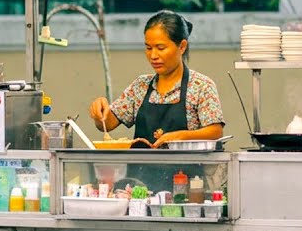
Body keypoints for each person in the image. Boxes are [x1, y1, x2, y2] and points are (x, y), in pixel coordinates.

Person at [89, 10, 224, 149]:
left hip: (186, 163)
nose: (153, 55)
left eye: (160, 48)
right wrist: (100, 114)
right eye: (148, 48)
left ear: (182, 46)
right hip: (141, 163)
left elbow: (215, 131)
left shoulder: (200, 86)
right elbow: (108, 124)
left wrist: (179, 137)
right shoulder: (140, 86)